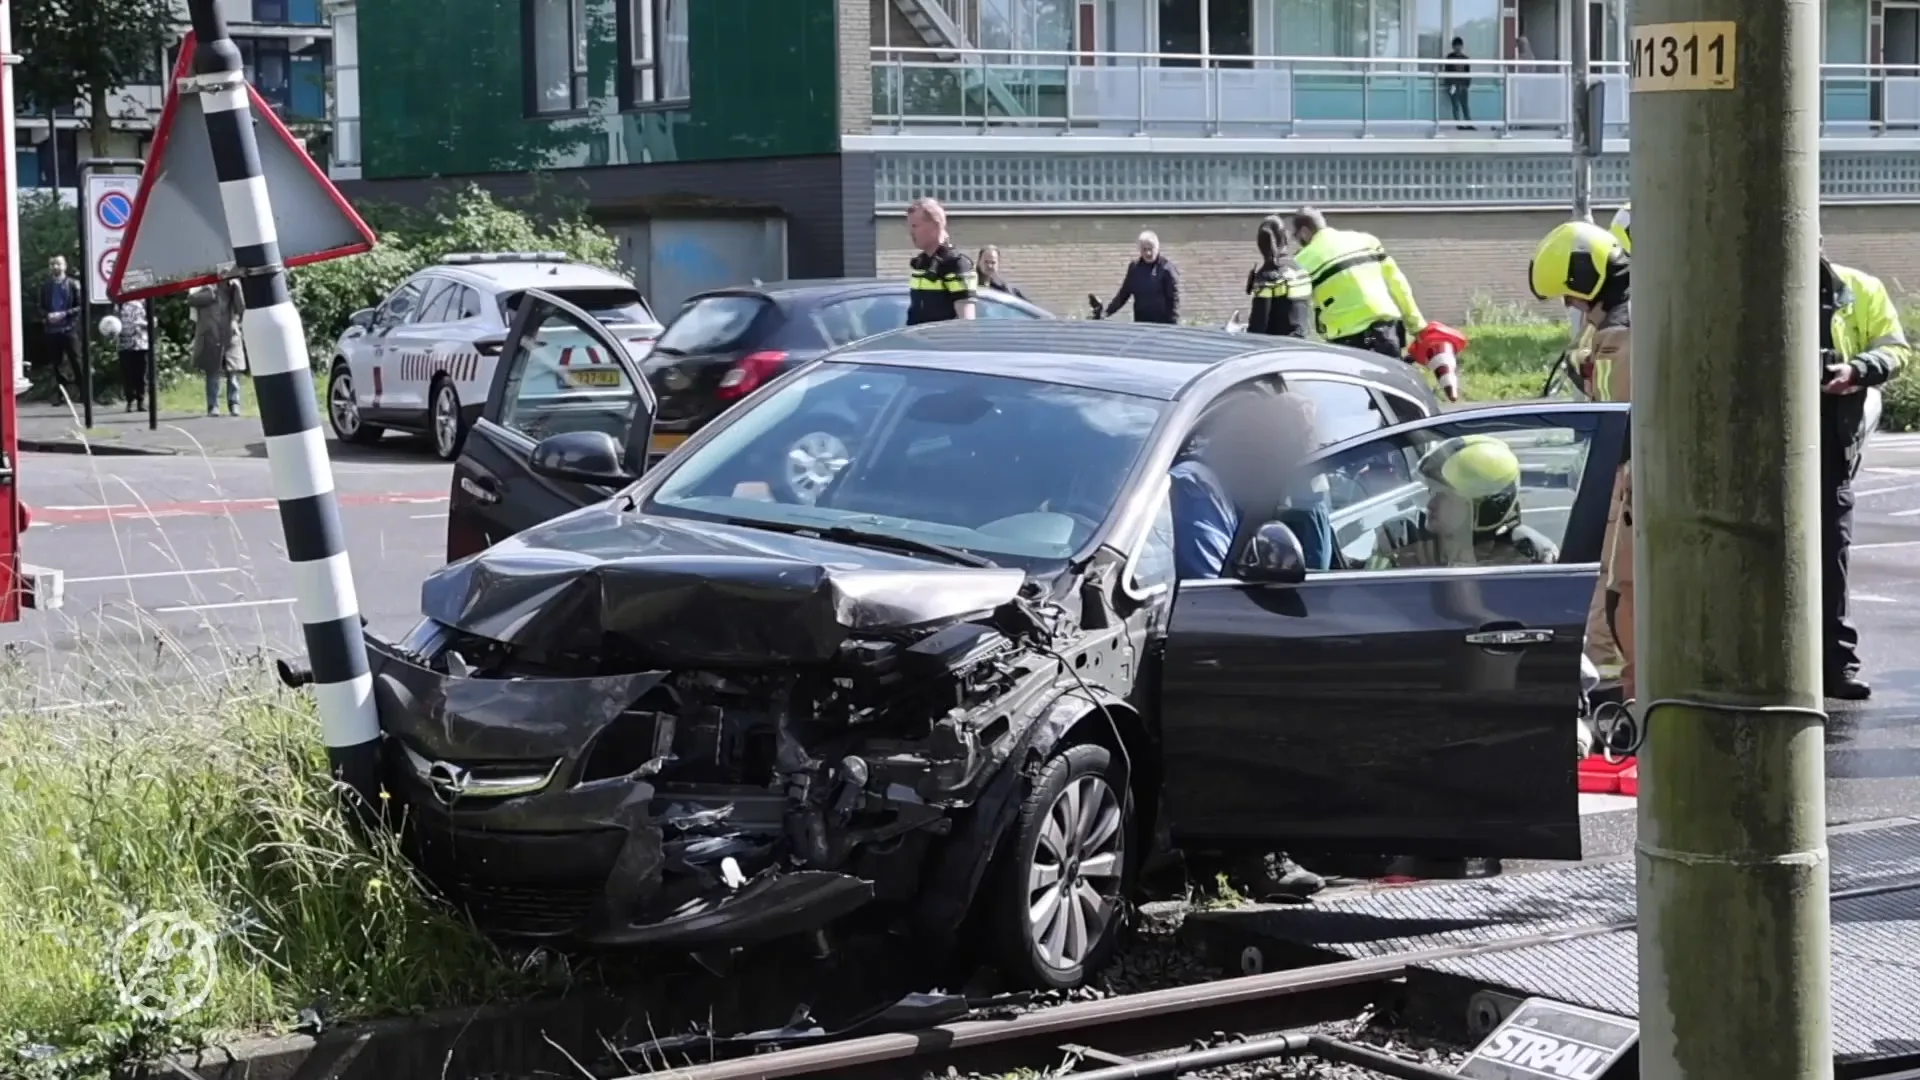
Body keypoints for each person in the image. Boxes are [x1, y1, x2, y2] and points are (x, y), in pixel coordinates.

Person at [1528, 220, 1634, 698]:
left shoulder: (1620, 332)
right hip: (1628, 477)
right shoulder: (1626, 319)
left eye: (1571, 296)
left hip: (1629, 481)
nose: (1571, 307)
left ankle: (1614, 691)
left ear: (1585, 281)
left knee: (1615, 591)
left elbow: (1619, 418)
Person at [1818, 248, 1908, 700]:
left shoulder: (1860, 289)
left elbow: (1895, 350)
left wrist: (1857, 369)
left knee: (1831, 552)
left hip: (1829, 442)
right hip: (1758, 444)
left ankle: (1835, 664)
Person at [1169, 387, 1333, 581]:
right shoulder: (1196, 489)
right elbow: (1210, 592)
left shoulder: (1246, 488)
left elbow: (1318, 572)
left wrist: (1310, 492)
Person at [1367, 434, 1559, 569]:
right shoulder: (1401, 542)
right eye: (1432, 492)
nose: (1430, 505)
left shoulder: (1529, 554)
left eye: (1444, 496)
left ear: (1484, 509)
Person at [1287, 208, 1428, 360]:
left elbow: (1298, 307)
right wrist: (1417, 326)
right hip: (1387, 329)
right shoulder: (1367, 241)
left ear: (1304, 232)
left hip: (1347, 339)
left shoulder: (1302, 261)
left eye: (1296, 236)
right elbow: (1398, 284)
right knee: (1391, 380)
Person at [905, 197, 977, 326]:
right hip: (917, 344)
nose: (911, 232)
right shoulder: (921, 263)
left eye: (915, 226)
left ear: (936, 225)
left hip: (943, 344)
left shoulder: (955, 265)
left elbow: (967, 324)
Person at [1244, 216, 1311, 339]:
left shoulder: (1267, 276)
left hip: (1278, 345)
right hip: (1302, 342)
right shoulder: (1300, 269)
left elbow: (1259, 325)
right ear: (1285, 238)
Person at [191, 279, 247, 417]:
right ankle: (213, 406)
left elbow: (241, 308)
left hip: (230, 334)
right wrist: (210, 292)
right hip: (210, 333)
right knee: (212, 372)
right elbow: (191, 300)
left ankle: (234, 404)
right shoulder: (201, 284)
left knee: (233, 371)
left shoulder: (233, 285)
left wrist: (236, 289)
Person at [1103, 231, 1181, 325]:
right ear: (1140, 250)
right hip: (1141, 324)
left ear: (1157, 248)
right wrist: (1106, 313)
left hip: (1162, 325)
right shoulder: (1135, 268)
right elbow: (1123, 294)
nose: (1148, 253)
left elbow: (1174, 301)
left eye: (1151, 249)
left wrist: (1173, 327)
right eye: (1144, 249)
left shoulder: (1167, 269)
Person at [40, 256, 81, 393]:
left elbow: (80, 306)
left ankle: (84, 392)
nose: (55, 267)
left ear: (65, 266)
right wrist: (47, 316)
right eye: (52, 264)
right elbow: (40, 306)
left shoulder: (73, 284)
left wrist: (64, 314)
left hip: (69, 328)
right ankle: (60, 394)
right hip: (52, 330)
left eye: (58, 264)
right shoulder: (46, 286)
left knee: (76, 361)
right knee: (56, 364)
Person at [115, 298, 150, 412]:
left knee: (141, 374)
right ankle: (129, 401)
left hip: (141, 343)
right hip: (124, 344)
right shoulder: (119, 303)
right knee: (127, 374)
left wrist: (144, 323)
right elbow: (114, 321)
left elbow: (153, 320)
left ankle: (141, 401)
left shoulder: (146, 301)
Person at [1443, 38, 1473, 125]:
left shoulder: (1465, 59)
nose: (1458, 47)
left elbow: (1468, 72)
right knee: (1455, 105)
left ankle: (1468, 123)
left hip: (1463, 85)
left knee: (1465, 105)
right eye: (1456, 46)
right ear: (1453, 47)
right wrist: (1450, 84)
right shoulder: (1450, 57)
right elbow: (1447, 71)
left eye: (1459, 45)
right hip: (1453, 85)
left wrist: (1467, 84)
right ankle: (1458, 124)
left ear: (1462, 46)